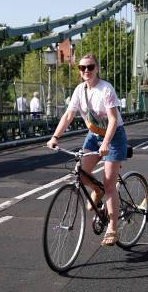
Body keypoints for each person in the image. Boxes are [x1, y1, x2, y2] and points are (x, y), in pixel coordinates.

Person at [47, 53, 127, 247]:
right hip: (93, 135)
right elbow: (68, 116)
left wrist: (106, 143)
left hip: (113, 136)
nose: (86, 71)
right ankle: (97, 189)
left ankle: (113, 228)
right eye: (82, 68)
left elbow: (114, 120)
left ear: (97, 68)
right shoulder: (79, 90)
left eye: (90, 67)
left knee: (109, 184)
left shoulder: (106, 89)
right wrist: (55, 137)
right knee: (80, 174)